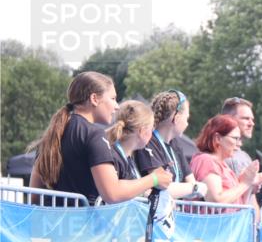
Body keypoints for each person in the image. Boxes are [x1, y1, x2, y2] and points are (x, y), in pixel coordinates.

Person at [29, 71, 165, 204]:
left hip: (50, 223)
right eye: (112, 99)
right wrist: (154, 179)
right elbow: (112, 193)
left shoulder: (51, 134)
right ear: (94, 99)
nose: (117, 106)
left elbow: (35, 197)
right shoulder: (94, 134)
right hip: (83, 224)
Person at [190, 115, 262, 213]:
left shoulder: (223, 166)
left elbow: (239, 206)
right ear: (218, 138)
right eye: (235, 138)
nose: (239, 143)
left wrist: (250, 183)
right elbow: (216, 201)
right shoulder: (206, 161)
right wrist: (245, 183)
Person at [138, 89, 206, 200]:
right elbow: (163, 186)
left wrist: (193, 188)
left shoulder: (176, 144)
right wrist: (194, 188)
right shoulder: (148, 142)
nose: (187, 123)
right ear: (176, 118)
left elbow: (192, 184)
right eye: (187, 118)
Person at [221, 97, 255, 176]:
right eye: (246, 118)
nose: (251, 123)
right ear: (229, 119)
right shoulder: (219, 156)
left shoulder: (244, 156)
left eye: (252, 119)